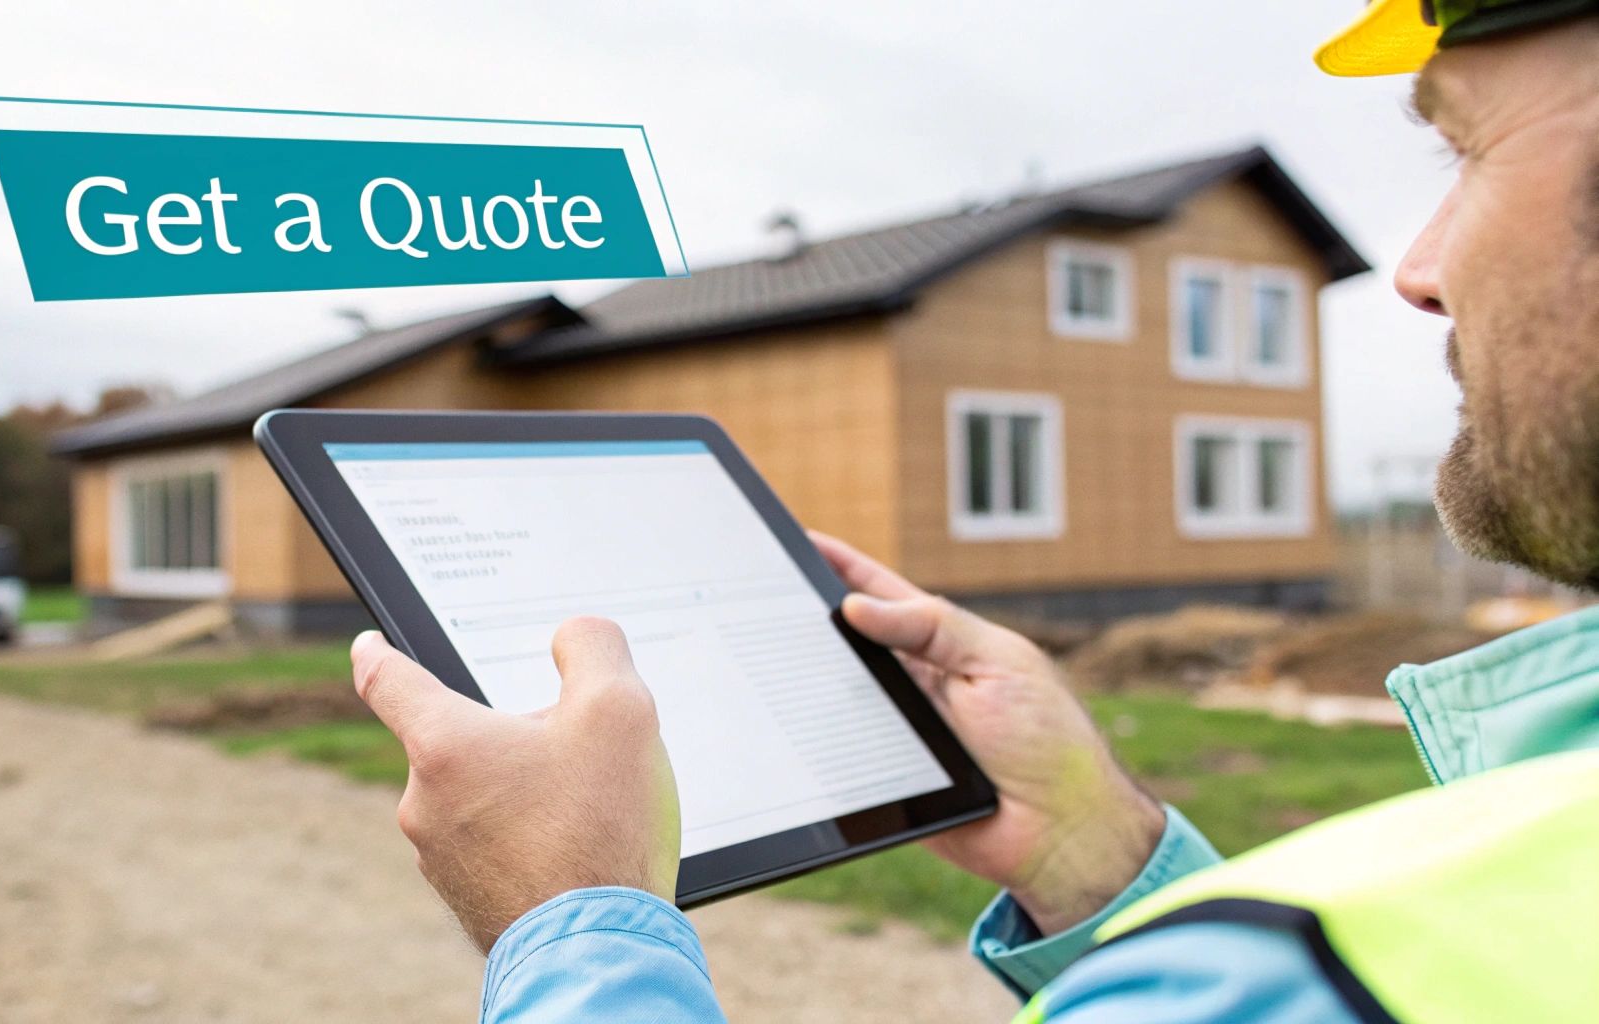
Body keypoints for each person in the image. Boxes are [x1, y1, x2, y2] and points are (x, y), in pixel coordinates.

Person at [346, 2, 1599, 1019]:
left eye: (1467, 149)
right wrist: (1096, 857)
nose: (1418, 267)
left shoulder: (1327, 972)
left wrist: (568, 927)